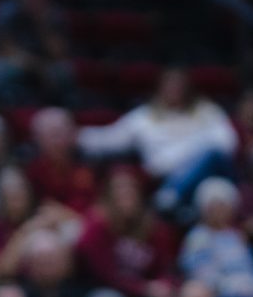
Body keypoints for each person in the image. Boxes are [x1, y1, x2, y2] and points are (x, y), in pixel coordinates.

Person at [77, 69, 238, 212]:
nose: (175, 90)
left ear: (188, 88)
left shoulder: (207, 112)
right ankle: (172, 197)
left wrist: (178, 157)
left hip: (206, 178)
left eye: (179, 85)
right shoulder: (144, 117)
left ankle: (172, 195)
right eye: (170, 85)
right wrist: (77, 135)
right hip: (164, 177)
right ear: (160, 88)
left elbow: (227, 143)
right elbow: (112, 138)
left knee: (213, 157)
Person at [74, 167, 178, 297]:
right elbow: (106, 276)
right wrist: (143, 288)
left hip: (146, 295)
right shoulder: (96, 227)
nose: (126, 198)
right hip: (105, 292)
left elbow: (164, 267)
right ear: (108, 197)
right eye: (120, 193)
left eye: (130, 193)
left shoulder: (153, 227)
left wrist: (164, 284)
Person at [180, 177, 253, 297]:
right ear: (205, 209)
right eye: (215, 206)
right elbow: (205, 279)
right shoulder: (198, 238)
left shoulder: (236, 236)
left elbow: (252, 271)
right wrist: (240, 288)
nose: (220, 211)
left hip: (250, 296)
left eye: (224, 206)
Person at [0, 0, 70, 101]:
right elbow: (5, 49)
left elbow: (58, 53)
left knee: (64, 73)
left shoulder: (53, 15)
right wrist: (36, 67)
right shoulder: (7, 11)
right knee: (3, 72)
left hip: (46, 63)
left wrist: (42, 24)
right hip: (17, 61)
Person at [24, 108, 97, 212]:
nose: (57, 141)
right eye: (51, 135)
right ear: (38, 140)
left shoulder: (88, 165)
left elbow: (90, 205)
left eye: (60, 133)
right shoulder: (31, 171)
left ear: (73, 134)